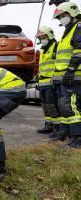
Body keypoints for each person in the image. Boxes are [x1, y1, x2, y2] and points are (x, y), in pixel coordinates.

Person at [52, 2, 81, 148]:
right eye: (59, 17)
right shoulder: (68, 30)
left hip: (74, 75)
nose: (61, 19)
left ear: (73, 13)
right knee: (65, 106)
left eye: (63, 15)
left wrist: (70, 70)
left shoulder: (78, 27)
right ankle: (70, 135)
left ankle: (77, 139)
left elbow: (79, 51)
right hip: (67, 76)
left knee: (72, 107)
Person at [35, 26, 62, 137]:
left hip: (51, 83)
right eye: (40, 38)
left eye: (43, 37)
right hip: (43, 83)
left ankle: (58, 128)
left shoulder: (56, 46)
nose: (42, 40)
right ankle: (48, 125)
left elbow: (58, 64)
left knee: (52, 105)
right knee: (45, 105)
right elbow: (41, 67)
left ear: (49, 35)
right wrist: (38, 80)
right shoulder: (42, 49)